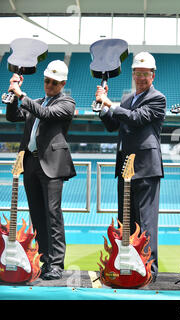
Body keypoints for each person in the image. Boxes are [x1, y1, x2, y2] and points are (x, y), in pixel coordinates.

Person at [95, 51, 166, 280]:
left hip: (146, 167)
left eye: (146, 74)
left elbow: (136, 119)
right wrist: (103, 108)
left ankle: (149, 270)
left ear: (153, 75)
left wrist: (110, 103)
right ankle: (127, 264)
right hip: (125, 167)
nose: (142, 77)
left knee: (146, 221)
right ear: (133, 75)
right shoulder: (127, 100)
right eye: (138, 73)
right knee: (126, 221)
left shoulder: (158, 98)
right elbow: (112, 125)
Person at [6, 60, 76, 280]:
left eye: (54, 83)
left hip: (52, 165)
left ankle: (56, 263)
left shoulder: (67, 103)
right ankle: (45, 260)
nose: (49, 85)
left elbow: (46, 114)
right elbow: (12, 116)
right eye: (46, 80)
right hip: (31, 163)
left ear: (62, 83)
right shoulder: (36, 102)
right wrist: (12, 93)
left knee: (53, 214)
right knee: (37, 214)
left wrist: (21, 95)